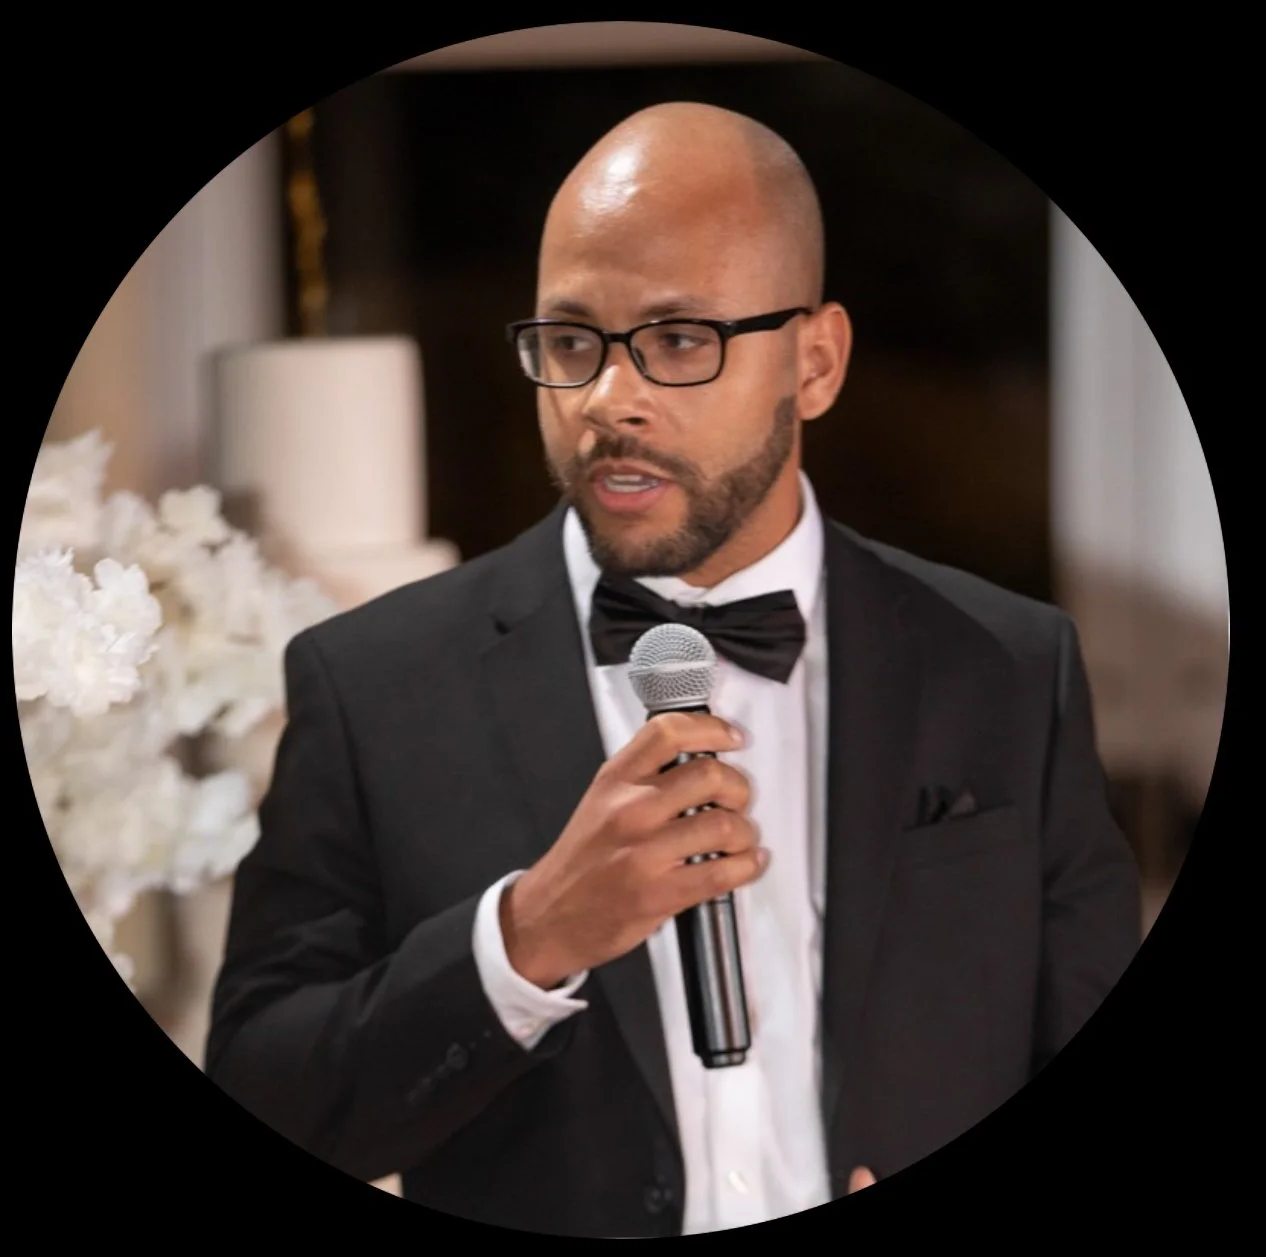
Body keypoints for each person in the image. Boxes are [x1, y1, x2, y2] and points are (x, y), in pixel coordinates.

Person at [205, 101, 1141, 1237]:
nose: (608, 400)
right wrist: (525, 940)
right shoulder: (372, 684)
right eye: (571, 342)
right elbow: (266, 1090)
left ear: (816, 363)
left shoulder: (1009, 669)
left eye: (681, 339)